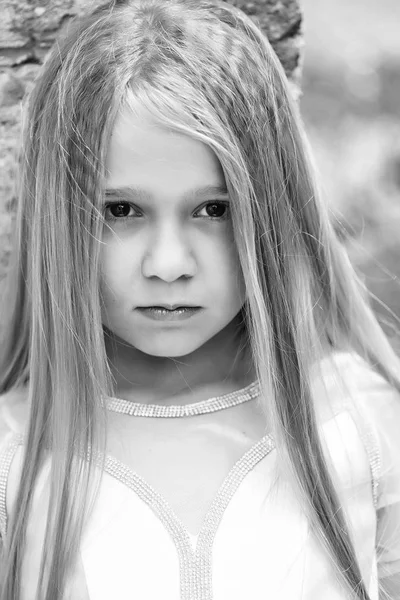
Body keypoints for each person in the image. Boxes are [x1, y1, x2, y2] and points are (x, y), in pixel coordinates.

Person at [0, 0, 399, 598]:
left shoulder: (363, 423)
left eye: (214, 209)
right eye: (121, 210)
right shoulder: (14, 454)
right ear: (58, 219)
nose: (168, 266)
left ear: (272, 210)